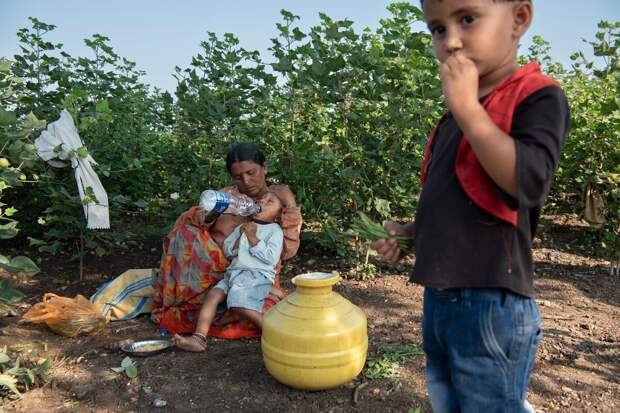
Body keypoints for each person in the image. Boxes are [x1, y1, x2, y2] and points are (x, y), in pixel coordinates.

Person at [371, 0, 570, 411]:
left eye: (467, 19)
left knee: (490, 404)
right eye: (438, 29)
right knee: (450, 401)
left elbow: (528, 182)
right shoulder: (454, 120)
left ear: (518, 19)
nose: (452, 41)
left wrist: (466, 108)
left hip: (490, 300)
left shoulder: (538, 96)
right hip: (440, 298)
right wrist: (410, 234)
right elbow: (457, 202)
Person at [151, 143, 302, 340]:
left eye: (251, 172)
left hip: (253, 275)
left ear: (264, 168)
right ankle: (195, 313)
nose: (246, 181)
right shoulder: (227, 197)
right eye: (238, 177)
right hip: (212, 279)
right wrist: (211, 214)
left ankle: (246, 306)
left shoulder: (276, 200)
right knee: (184, 234)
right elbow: (185, 224)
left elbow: (288, 251)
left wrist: (290, 205)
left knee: (256, 309)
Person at [172, 191, 284, 352]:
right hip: (234, 273)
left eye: (270, 202)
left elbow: (271, 258)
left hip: (255, 273)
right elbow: (228, 250)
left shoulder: (274, 230)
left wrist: (253, 238)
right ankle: (199, 338)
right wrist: (240, 237)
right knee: (213, 295)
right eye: (262, 199)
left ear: (278, 215)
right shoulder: (242, 227)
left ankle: (276, 334)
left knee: (237, 303)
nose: (263, 202)